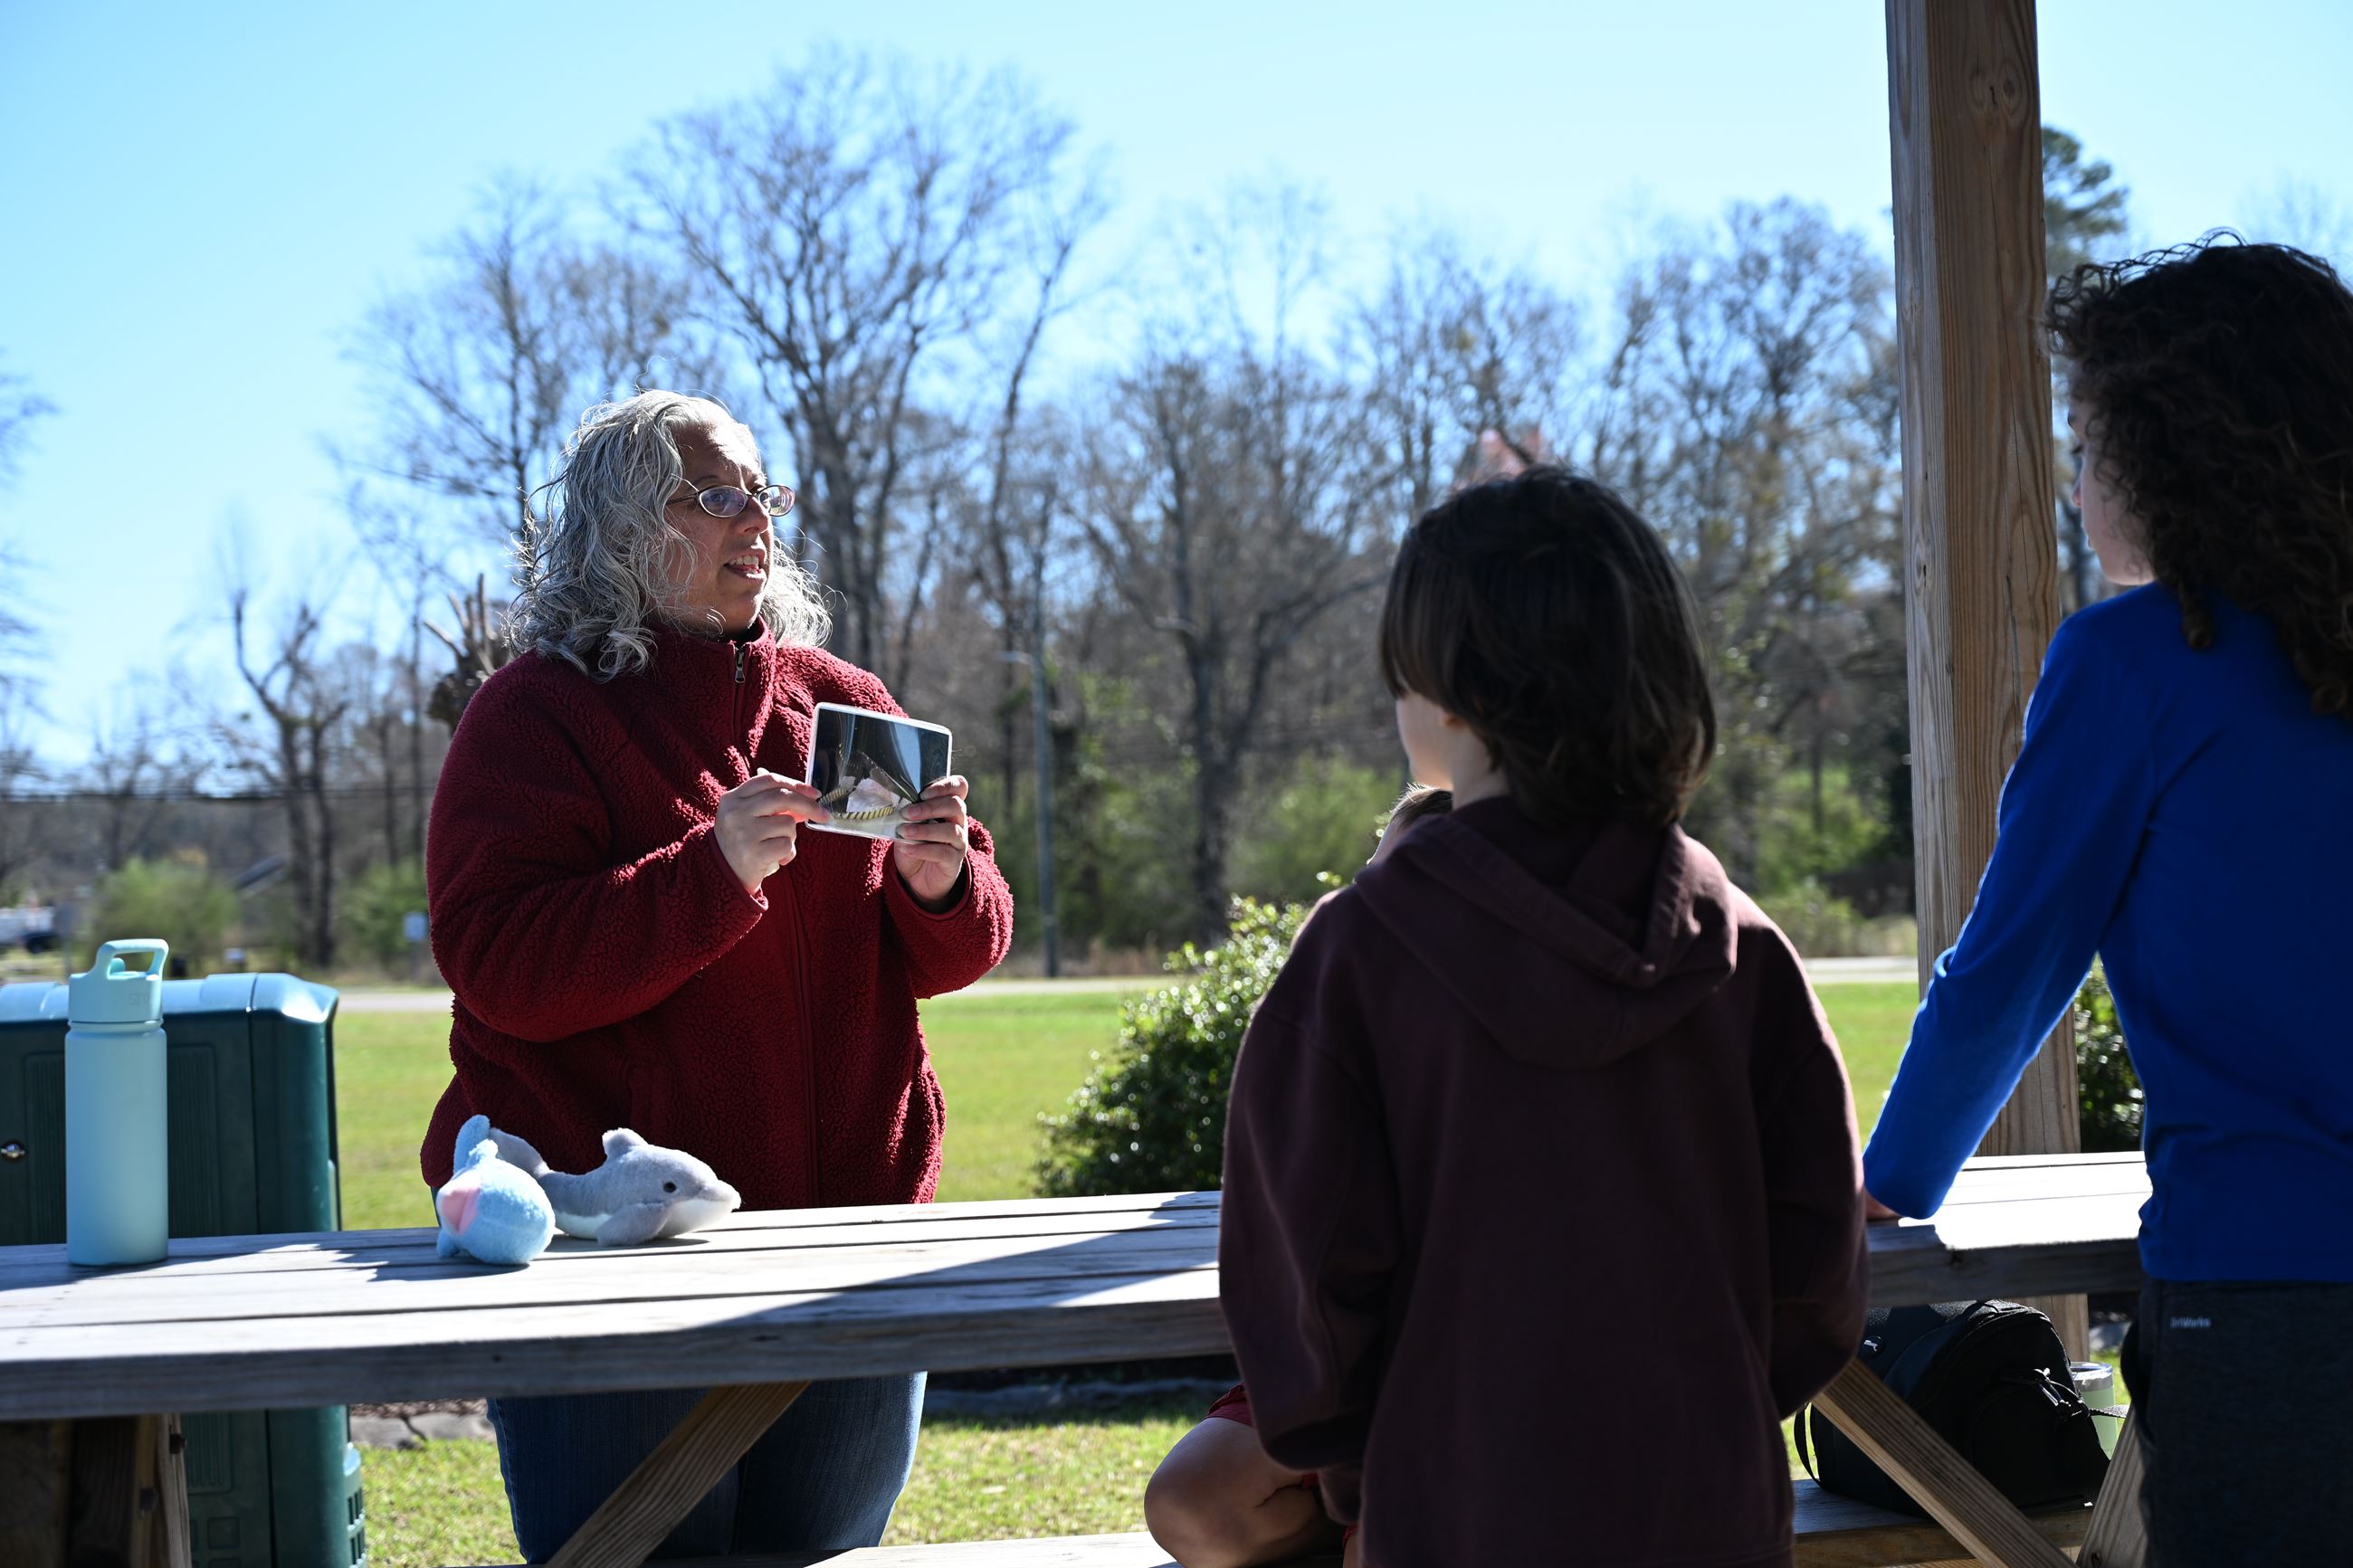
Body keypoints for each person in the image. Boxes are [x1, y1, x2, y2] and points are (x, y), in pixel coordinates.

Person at [1218, 468, 1869, 1564]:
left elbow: (1308, 1268)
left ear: (1448, 695)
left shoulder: (1360, 954)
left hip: (1455, 1496)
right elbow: (1815, 1251)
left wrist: (1350, 1461)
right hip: (1704, 1499)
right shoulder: (1742, 947)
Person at [418, 392, 1015, 1561]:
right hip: (618, 1272)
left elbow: (961, 944)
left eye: (765, 494)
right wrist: (709, 874)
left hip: (851, 1253)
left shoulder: (840, 703)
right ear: (626, 524)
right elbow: (498, 964)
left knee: (823, 1555)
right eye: (719, 493)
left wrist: (944, 883)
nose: (758, 522)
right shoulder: (535, 716)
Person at [1861, 238, 2353, 1563]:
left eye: (2089, 447)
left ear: (2178, 459)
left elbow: (2013, 966)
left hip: (2276, 1300)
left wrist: (1890, 1178)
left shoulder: (2135, 665)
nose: (2075, 489)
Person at [1144, 785, 1450, 1568]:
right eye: (1373, 875)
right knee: (1188, 1502)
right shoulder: (1330, 1007)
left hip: (1449, 1386)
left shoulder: (1501, 1035)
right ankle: (1337, 1517)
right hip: (1328, 1364)